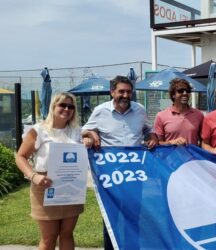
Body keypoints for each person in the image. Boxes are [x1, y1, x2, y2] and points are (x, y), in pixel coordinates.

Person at [82, 75, 158, 250]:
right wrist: (92, 134)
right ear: (112, 92)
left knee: (134, 216)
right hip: (110, 174)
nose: (125, 95)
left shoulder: (139, 109)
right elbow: (85, 129)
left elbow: (148, 129)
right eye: (121, 91)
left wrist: (152, 137)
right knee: (111, 218)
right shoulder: (100, 111)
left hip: (134, 174)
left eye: (129, 92)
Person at [15, 92, 88, 250]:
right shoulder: (39, 130)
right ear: (53, 106)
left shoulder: (77, 131)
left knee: (67, 234)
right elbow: (20, 156)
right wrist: (33, 176)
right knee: (48, 239)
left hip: (71, 188)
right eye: (62, 105)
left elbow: (88, 141)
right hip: (45, 187)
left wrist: (89, 137)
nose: (67, 109)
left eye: (71, 106)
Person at [154, 78, 203, 146]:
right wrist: (171, 143)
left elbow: (203, 142)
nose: (185, 93)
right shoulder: (161, 116)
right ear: (173, 95)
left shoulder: (199, 115)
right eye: (181, 91)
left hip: (193, 156)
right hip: (171, 156)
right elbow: (157, 143)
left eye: (187, 91)